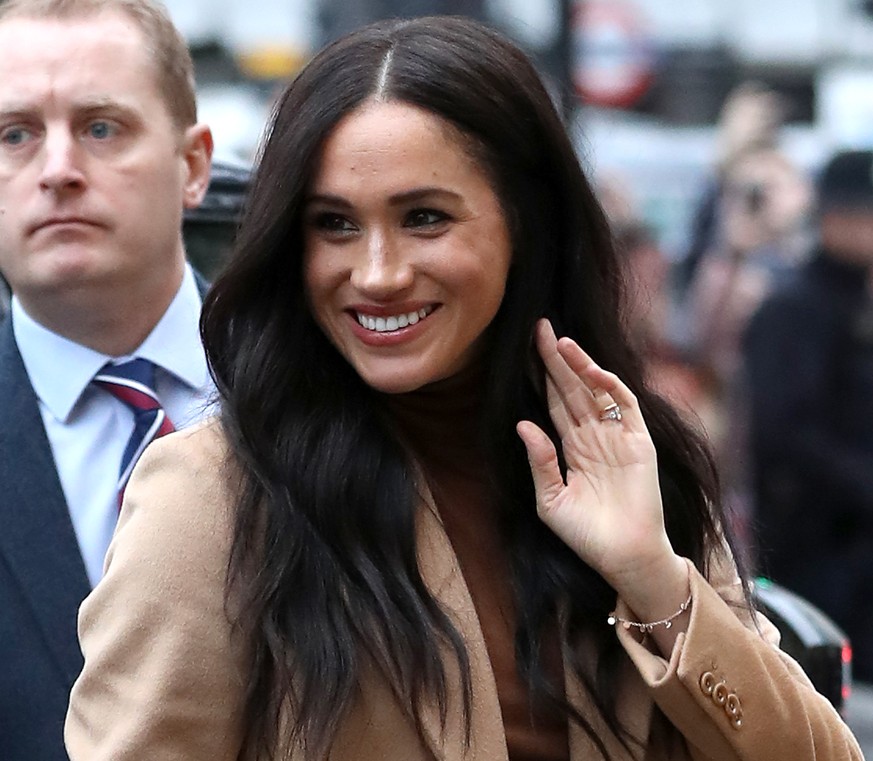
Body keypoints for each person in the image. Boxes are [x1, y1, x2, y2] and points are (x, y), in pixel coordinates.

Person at [65, 16, 861, 761]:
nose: (375, 273)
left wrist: (651, 576)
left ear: (525, 226)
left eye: (424, 218)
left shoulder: (617, 455)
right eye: (334, 224)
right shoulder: (215, 495)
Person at [0, 1, 214, 759]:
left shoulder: (326, 385)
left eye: (100, 128)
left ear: (192, 166)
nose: (57, 170)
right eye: (15, 134)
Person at [743, 148, 873, 683]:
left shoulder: (850, 303)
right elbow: (783, 430)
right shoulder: (795, 307)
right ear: (837, 217)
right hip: (817, 548)